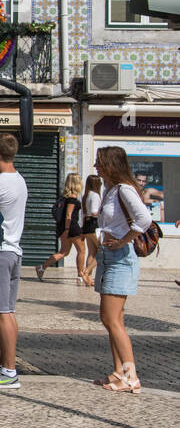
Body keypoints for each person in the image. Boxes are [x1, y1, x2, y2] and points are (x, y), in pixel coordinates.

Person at [92, 146, 153, 393]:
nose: (96, 166)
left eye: (99, 162)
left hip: (120, 258)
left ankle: (131, 377)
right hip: (109, 257)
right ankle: (119, 372)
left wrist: (123, 240)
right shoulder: (109, 190)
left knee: (110, 318)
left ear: (110, 164)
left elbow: (144, 219)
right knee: (114, 319)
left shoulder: (125, 189)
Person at [0, 132, 27, 389]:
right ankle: (6, 365)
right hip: (14, 251)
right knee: (8, 312)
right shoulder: (20, 180)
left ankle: (8, 371)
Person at [38, 174, 89, 285]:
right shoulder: (72, 197)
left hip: (65, 227)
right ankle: (80, 275)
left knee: (64, 252)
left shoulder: (65, 197)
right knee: (81, 251)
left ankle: (42, 267)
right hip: (72, 227)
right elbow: (68, 215)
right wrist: (67, 230)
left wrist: (64, 230)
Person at [82, 174, 103, 279]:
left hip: (87, 225)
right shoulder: (95, 195)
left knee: (91, 252)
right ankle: (86, 271)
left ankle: (88, 278)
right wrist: (103, 212)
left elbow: (84, 214)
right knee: (102, 252)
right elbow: (94, 212)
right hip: (94, 225)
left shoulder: (86, 195)